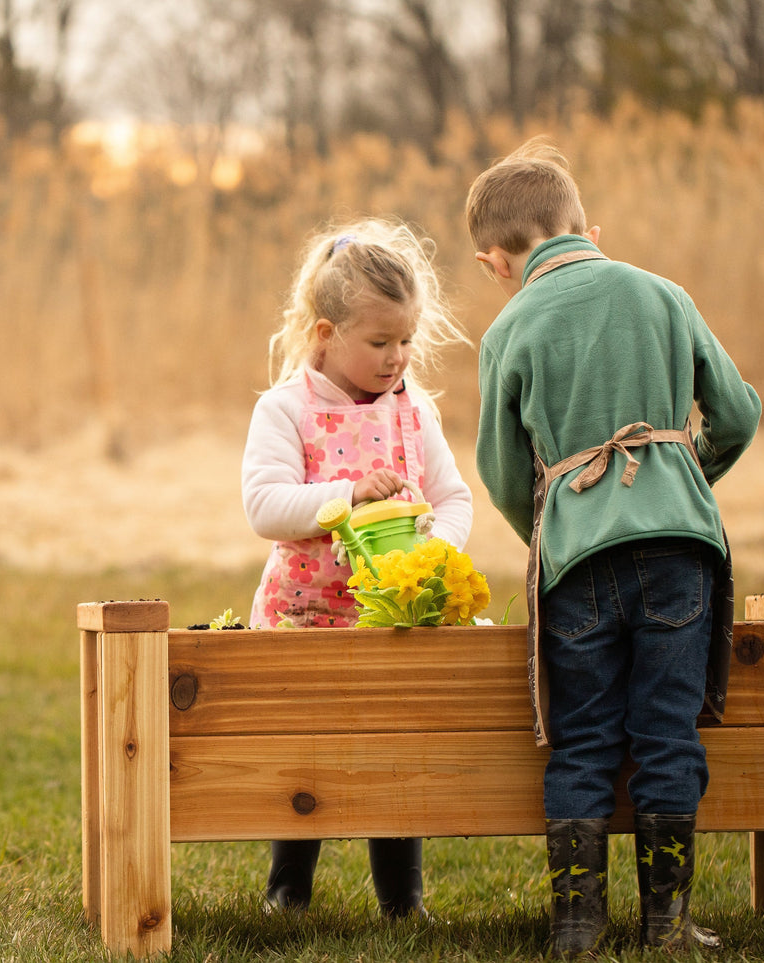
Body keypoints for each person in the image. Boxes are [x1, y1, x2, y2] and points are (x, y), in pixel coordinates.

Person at [466, 138, 761, 956]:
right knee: (668, 729)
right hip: (677, 551)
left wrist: (555, 530)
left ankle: (576, 926)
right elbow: (735, 413)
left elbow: (498, 470)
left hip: (577, 564)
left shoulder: (509, 327)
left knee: (585, 735)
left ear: (496, 262)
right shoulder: (664, 294)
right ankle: (665, 924)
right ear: (585, 225)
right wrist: (682, 476)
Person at [240, 216, 475, 919]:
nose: (396, 357)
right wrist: (344, 495)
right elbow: (263, 504)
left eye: (405, 340)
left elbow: (453, 497)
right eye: (378, 342)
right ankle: (289, 888)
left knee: (393, 748)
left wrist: (438, 549)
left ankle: (401, 898)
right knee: (303, 750)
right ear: (323, 332)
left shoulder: (414, 413)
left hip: (389, 619)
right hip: (304, 615)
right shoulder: (286, 409)